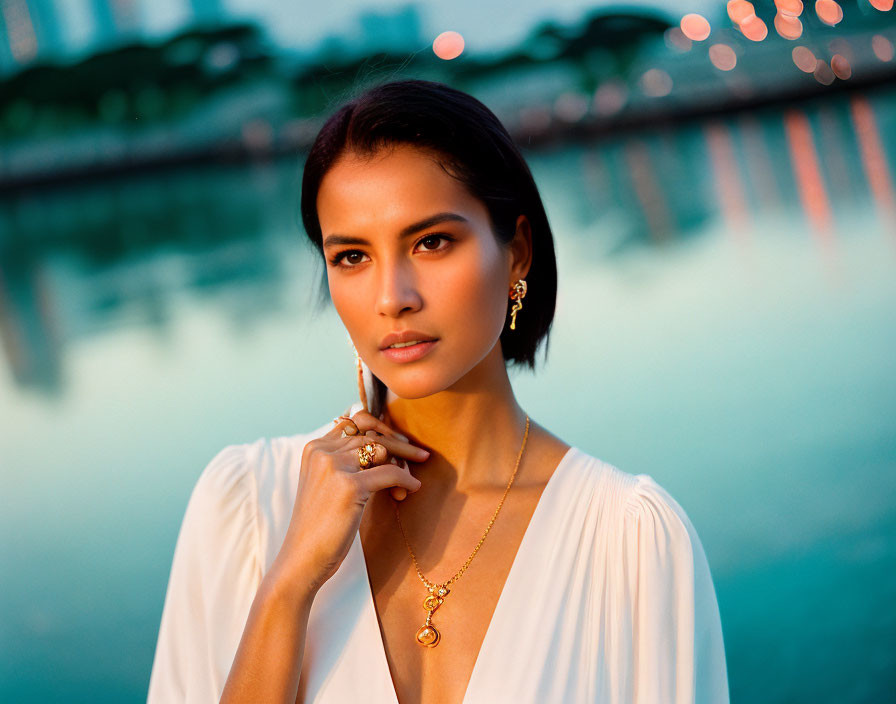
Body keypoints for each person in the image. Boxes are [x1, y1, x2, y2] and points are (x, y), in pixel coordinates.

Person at [147, 79, 729, 704]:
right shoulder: (246, 505)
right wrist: (287, 586)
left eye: (431, 242)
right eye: (351, 256)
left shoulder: (631, 542)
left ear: (517, 254)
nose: (393, 296)